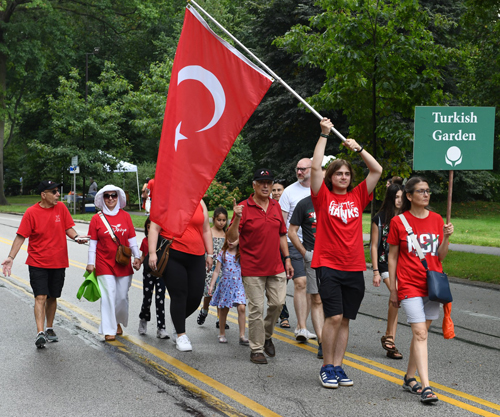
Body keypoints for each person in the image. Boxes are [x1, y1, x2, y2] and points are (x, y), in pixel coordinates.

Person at [312, 118, 382, 388]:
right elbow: (316, 166)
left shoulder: (358, 196)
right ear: (331, 177)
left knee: (346, 320)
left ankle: (339, 367)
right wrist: (324, 135)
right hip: (328, 264)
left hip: (354, 266)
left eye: (347, 174)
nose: (343, 177)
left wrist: (359, 149)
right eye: (338, 174)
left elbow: (377, 170)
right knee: (334, 316)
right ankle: (326, 366)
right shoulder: (322, 197)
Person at [388, 176, 454, 403]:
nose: (426, 194)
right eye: (421, 191)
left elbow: (440, 257)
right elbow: (393, 257)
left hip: (432, 284)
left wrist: (446, 238)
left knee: (421, 334)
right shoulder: (399, 222)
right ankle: (426, 387)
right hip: (408, 284)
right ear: (409, 196)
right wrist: (394, 289)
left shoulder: (437, 219)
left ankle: (409, 377)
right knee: (420, 333)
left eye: (428, 191)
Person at [1, 180, 87, 348]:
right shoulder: (31, 213)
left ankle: (49, 328)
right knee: (40, 296)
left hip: (58, 261)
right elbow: (21, 236)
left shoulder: (61, 208)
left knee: (52, 296)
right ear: (43, 195)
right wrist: (11, 257)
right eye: (54, 192)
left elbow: (68, 227)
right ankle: (40, 332)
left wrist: (76, 237)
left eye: (58, 191)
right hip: (37, 262)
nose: (57, 195)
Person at [226, 168, 294, 364]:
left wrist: (287, 258)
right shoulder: (243, 207)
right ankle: (256, 349)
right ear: (254, 185)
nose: (266, 186)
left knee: (278, 304)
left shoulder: (275, 206)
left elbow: (282, 234)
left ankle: (265, 335)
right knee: (256, 309)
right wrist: (237, 217)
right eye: (261, 182)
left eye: (269, 182)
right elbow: (231, 239)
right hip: (253, 268)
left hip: (276, 266)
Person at [148, 200, 213, 352]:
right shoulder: (167, 199)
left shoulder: (201, 201)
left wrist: (210, 253)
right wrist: (152, 253)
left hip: (197, 256)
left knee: (195, 297)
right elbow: (154, 228)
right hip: (173, 255)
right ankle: (180, 334)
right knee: (179, 295)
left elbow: (206, 230)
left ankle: (177, 322)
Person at [86, 185, 141, 341]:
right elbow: (93, 244)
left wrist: (137, 257)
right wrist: (91, 263)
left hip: (123, 262)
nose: (110, 198)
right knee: (108, 295)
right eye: (107, 196)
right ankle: (109, 329)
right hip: (104, 263)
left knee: (122, 297)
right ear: (102, 199)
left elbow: (131, 240)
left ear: (118, 197)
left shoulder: (125, 217)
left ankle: (117, 321)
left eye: (113, 195)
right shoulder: (96, 218)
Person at [280, 158, 317, 343]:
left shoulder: (320, 190)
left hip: (316, 245)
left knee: (312, 288)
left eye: (303, 169)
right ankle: (301, 327)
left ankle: (303, 324)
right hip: (294, 243)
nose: (299, 172)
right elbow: (282, 223)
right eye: (297, 169)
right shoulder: (289, 192)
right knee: (301, 282)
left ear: (312, 169)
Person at [370, 184, 404, 359]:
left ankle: (390, 340)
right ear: (390, 198)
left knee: (396, 301)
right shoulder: (379, 218)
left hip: (404, 265)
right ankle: (389, 337)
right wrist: (376, 271)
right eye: (397, 197)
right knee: (395, 294)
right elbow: (374, 246)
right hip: (384, 264)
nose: (400, 200)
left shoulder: (407, 218)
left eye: (402, 197)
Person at [208, 236, 248, 345]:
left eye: (234, 239)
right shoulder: (223, 253)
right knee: (223, 310)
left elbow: (246, 270)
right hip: (226, 286)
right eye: (229, 239)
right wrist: (212, 285)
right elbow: (216, 271)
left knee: (242, 308)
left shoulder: (241, 254)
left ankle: (242, 336)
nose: (231, 241)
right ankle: (222, 333)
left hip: (238, 285)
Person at [137, 217, 168, 339]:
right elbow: (143, 256)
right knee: (147, 299)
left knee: (160, 300)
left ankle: (161, 327)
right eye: (148, 227)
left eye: (153, 227)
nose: (150, 229)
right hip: (148, 273)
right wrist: (138, 262)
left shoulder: (164, 242)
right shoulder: (145, 241)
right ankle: (143, 319)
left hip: (161, 274)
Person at [198, 207, 228, 327]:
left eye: (224, 220)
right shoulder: (208, 232)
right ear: (213, 219)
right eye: (219, 220)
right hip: (209, 267)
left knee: (220, 293)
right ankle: (205, 310)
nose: (221, 222)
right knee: (209, 293)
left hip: (222, 268)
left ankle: (219, 319)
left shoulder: (226, 234)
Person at [272, 179, 290, 329]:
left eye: (279, 190)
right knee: (279, 283)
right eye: (274, 190)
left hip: (291, 245)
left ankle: (277, 309)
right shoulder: (270, 207)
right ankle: (283, 315)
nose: (277, 193)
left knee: (284, 283)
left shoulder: (290, 203)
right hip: (273, 247)